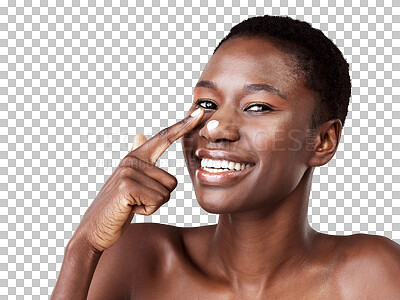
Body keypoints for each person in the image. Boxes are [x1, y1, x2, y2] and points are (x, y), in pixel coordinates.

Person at [51, 15, 400, 299]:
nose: (215, 128)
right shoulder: (140, 258)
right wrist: (83, 248)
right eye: (207, 104)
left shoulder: (368, 276)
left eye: (258, 107)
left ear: (323, 141)